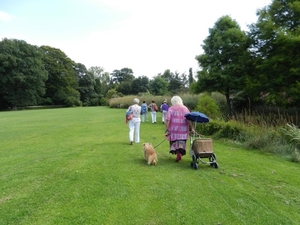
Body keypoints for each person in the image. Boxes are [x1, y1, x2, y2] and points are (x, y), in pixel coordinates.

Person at [165, 96, 194, 162]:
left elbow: (168, 120)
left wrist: (167, 129)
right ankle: (180, 153)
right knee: (182, 142)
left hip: (174, 129)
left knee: (174, 142)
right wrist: (191, 127)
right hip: (183, 129)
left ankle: (178, 154)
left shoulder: (171, 108)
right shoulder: (185, 108)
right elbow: (189, 119)